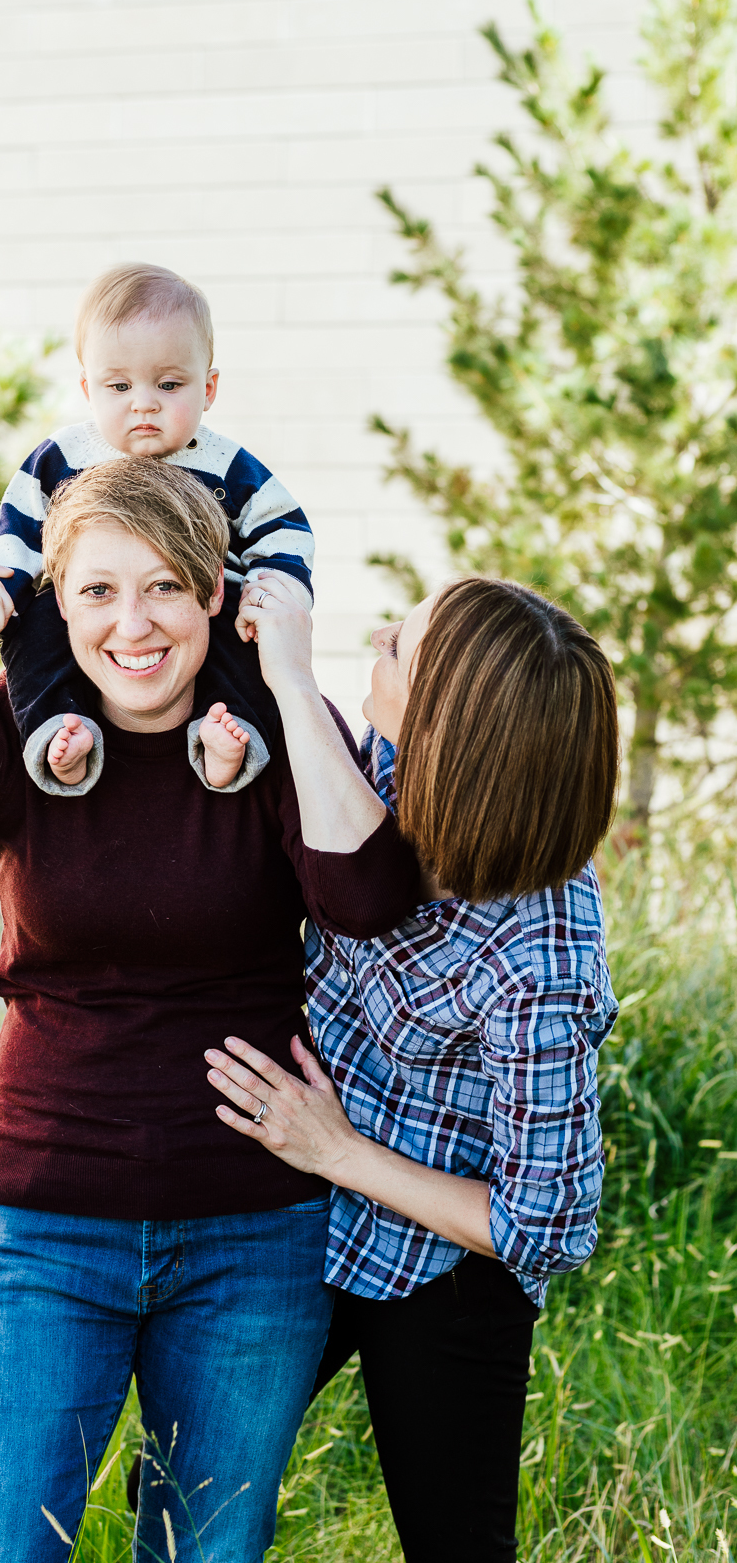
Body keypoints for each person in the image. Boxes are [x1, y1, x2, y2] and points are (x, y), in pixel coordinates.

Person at [0, 458, 420, 1563]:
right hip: (43, 1228)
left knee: (201, 1552)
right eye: (98, 592)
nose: (134, 625)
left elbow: (364, 900)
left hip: (252, 1234)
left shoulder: (269, 737)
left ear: (218, 592)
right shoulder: (6, 735)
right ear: (56, 604)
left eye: (166, 587)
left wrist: (295, 681)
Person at [206, 575, 621, 1563]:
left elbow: (547, 1227)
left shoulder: (541, 959)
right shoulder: (388, 772)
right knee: (189, 1481)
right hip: (299, 1206)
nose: (380, 637)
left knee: (455, 1543)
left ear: (450, 733)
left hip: (440, 1264)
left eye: (401, 648)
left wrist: (341, 1151)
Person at [0, 260, 315, 794]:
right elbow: (17, 527)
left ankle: (230, 733)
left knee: (246, 639)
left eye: (170, 383)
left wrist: (275, 586)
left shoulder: (227, 464)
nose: (144, 402)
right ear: (89, 389)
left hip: (206, 603)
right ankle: (56, 730)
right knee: (31, 627)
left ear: (209, 389)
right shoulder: (64, 456)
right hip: (88, 607)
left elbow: (283, 525)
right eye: (120, 385)